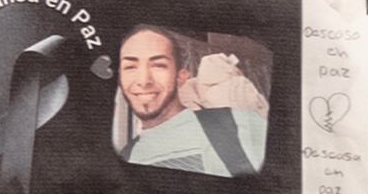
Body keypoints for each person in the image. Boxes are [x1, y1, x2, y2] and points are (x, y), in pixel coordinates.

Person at [113, 27, 270, 176]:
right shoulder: (127, 155)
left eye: (159, 65)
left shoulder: (239, 123)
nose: (143, 81)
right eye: (130, 67)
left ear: (181, 77)